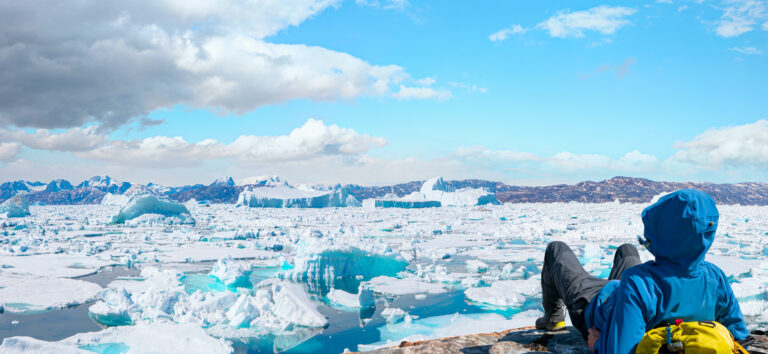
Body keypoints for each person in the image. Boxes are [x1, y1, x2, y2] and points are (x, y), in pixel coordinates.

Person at [535, 189, 749, 353]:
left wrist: (598, 345)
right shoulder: (715, 276)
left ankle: (554, 319)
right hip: (620, 293)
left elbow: (621, 350)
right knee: (627, 250)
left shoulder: (639, 281)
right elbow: (737, 334)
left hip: (594, 303)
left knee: (556, 249)